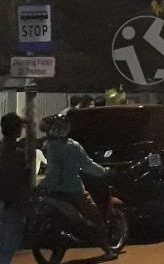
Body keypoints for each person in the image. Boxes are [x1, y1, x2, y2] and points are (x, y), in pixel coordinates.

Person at [43, 116, 118, 260]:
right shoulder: (73, 147)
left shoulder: (49, 145)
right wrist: (105, 171)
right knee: (96, 218)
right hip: (73, 190)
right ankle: (108, 251)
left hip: (52, 190)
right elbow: (88, 165)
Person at [0, 113, 31, 264]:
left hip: (6, 203)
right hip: (11, 205)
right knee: (8, 246)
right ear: (17, 130)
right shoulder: (16, 154)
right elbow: (20, 183)